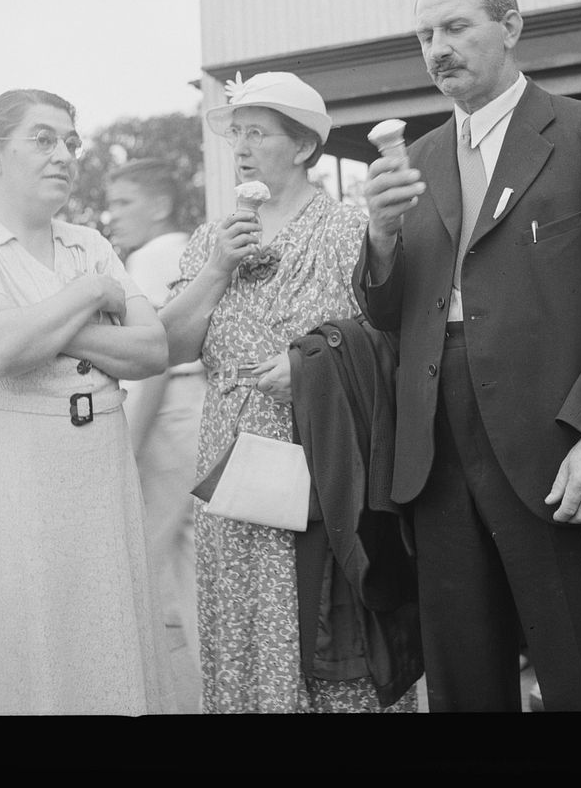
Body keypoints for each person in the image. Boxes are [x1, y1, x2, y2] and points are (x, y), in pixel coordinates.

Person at [355, 0, 581, 711]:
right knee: (465, 687)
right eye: (425, 34)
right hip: (436, 456)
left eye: (456, 27)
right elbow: (386, 310)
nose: (437, 48)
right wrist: (379, 233)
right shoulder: (418, 162)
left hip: (561, 444)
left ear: (512, 25)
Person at [158, 71, 417, 713]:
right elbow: (171, 346)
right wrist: (217, 268)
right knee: (242, 628)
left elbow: (394, 338)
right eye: (235, 134)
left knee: (328, 630)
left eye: (257, 133)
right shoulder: (208, 239)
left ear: (302, 147)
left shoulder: (349, 229)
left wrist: (311, 366)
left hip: (323, 469)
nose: (240, 147)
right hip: (232, 470)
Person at [0, 89, 175, 716]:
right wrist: (92, 294)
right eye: (42, 139)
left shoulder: (88, 240)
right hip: (18, 473)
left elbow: (151, 351)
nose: (64, 154)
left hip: (100, 471)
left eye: (71, 141)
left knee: (109, 635)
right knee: (34, 634)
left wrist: (46, 329)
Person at [106, 158, 206, 713]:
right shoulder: (189, 247)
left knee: (154, 562)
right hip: (198, 412)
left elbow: (155, 361)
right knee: (186, 561)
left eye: (123, 203)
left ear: (160, 205)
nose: (112, 216)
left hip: (168, 418)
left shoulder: (152, 257)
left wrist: (129, 444)